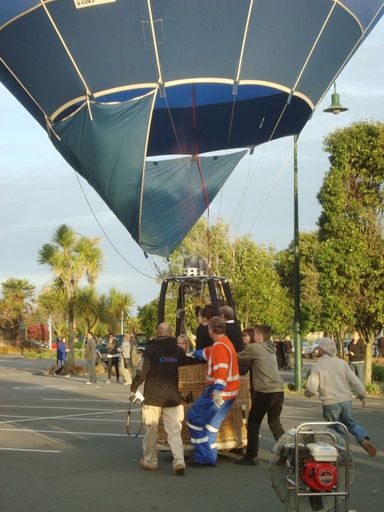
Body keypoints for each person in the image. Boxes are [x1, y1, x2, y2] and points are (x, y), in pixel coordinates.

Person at [130, 322, 186, 476]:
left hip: (153, 397)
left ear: (157, 333)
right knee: (175, 431)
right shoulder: (178, 351)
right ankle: (179, 461)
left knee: (151, 430)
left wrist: (133, 388)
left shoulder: (151, 349)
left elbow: (142, 371)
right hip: (173, 398)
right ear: (171, 333)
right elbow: (187, 364)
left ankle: (150, 461)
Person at [305, 337, 377, 457]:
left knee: (335, 429)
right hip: (346, 400)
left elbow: (311, 388)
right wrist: (362, 394)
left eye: (319, 348)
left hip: (330, 402)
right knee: (350, 423)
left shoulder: (318, 365)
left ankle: (345, 455)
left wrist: (308, 393)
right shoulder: (342, 363)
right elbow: (355, 381)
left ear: (322, 350)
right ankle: (363, 438)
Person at [187, 316, 240, 466]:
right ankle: (210, 456)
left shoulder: (219, 347)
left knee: (193, 420)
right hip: (230, 394)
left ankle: (204, 458)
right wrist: (193, 353)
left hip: (217, 393)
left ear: (210, 329)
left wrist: (216, 393)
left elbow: (221, 372)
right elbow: (206, 353)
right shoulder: (225, 343)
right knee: (211, 427)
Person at [235, 324, 285, 466]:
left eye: (255, 334)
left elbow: (236, 358)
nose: (253, 336)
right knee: (275, 423)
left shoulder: (255, 348)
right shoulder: (271, 348)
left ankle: (251, 456)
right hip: (278, 390)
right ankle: (287, 453)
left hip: (265, 392)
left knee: (253, 423)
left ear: (260, 336)